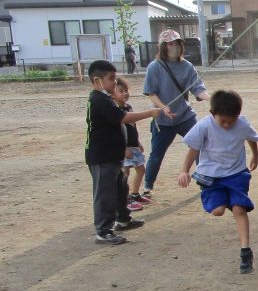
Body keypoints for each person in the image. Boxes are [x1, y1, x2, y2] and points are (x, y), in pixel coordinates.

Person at [176, 90, 258, 274]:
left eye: (232, 120)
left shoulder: (242, 123)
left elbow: (251, 138)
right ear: (212, 113)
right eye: (223, 120)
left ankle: (245, 252)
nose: (228, 124)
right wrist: (184, 170)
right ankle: (225, 201)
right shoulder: (204, 126)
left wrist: (255, 155)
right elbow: (193, 149)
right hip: (211, 177)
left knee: (239, 209)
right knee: (218, 211)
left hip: (237, 174)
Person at [84, 60, 162, 245]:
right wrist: (150, 113)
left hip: (112, 156)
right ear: (97, 80)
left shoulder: (105, 99)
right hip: (101, 157)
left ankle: (123, 219)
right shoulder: (98, 99)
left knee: (120, 188)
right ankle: (103, 231)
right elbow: (123, 118)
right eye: (111, 79)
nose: (114, 82)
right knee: (105, 193)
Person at [142, 29, 209, 197]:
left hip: (185, 116)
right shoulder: (155, 67)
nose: (174, 47)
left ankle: (204, 181)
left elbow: (198, 89)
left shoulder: (187, 66)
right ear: (163, 46)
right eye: (170, 44)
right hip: (163, 121)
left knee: (200, 146)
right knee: (157, 154)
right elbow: (151, 92)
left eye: (177, 43)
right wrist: (163, 107)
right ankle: (148, 185)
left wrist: (210, 98)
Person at [113, 76, 149, 209]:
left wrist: (138, 142)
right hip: (124, 148)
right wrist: (123, 148)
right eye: (120, 91)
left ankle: (134, 193)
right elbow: (116, 132)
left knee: (141, 170)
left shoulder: (128, 107)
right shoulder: (115, 110)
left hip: (134, 146)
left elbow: (132, 126)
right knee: (124, 173)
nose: (124, 93)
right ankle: (125, 199)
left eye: (126, 90)